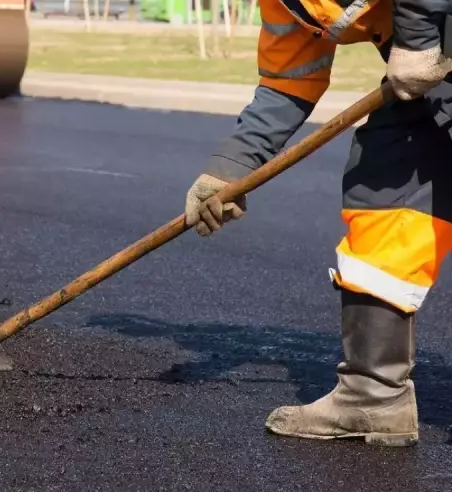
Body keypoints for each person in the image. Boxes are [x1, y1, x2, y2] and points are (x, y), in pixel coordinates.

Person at [184, 0, 452, 447]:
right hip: (426, 72)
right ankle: (373, 396)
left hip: (429, 50)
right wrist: (229, 167)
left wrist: (419, 35)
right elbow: (289, 80)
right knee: (383, 190)